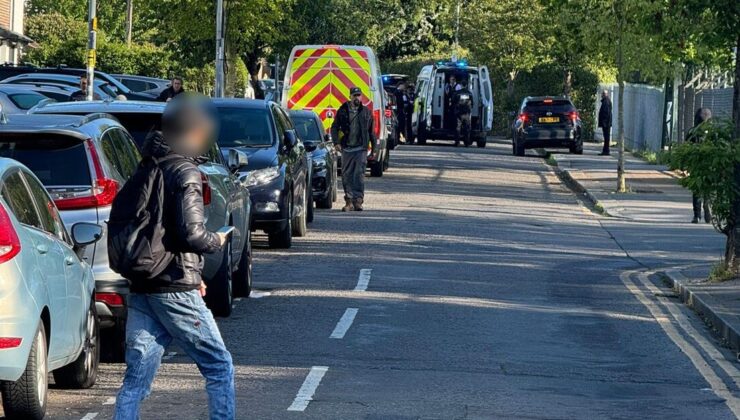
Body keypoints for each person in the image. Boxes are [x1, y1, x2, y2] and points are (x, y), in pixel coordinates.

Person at [112, 94, 235, 420]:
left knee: (136, 380)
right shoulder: (185, 172)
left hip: (142, 282)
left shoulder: (145, 169)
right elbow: (190, 234)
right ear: (194, 134)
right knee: (219, 364)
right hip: (172, 285)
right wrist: (217, 240)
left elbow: (157, 230)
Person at [331, 86, 376, 212]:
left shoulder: (366, 112)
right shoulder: (343, 111)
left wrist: (374, 148)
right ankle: (349, 201)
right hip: (347, 149)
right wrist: (336, 143)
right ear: (350, 96)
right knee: (346, 175)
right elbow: (334, 127)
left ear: (361, 97)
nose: (357, 97)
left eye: (359, 95)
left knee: (359, 175)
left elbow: (371, 132)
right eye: (354, 95)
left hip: (361, 149)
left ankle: (358, 201)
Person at [688, 107, 713, 224]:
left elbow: (686, 149)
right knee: (704, 189)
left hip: (699, 164)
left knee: (698, 190)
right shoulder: (710, 133)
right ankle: (703, 209)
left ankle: (699, 214)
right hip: (706, 164)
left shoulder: (693, 132)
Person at [452, 80, 473, 147]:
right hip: (466, 113)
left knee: (458, 128)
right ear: (466, 85)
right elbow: (472, 103)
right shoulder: (469, 93)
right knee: (467, 128)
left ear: (461, 85)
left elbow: (453, 101)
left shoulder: (457, 93)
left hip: (459, 113)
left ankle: (457, 142)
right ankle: (466, 142)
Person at [598, 89, 613, 155]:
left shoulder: (606, 102)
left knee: (606, 137)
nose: (601, 95)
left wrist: (604, 122)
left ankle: (606, 151)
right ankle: (605, 150)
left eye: (602, 94)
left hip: (606, 123)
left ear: (605, 94)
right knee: (606, 137)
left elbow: (606, 113)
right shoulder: (606, 101)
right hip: (606, 123)